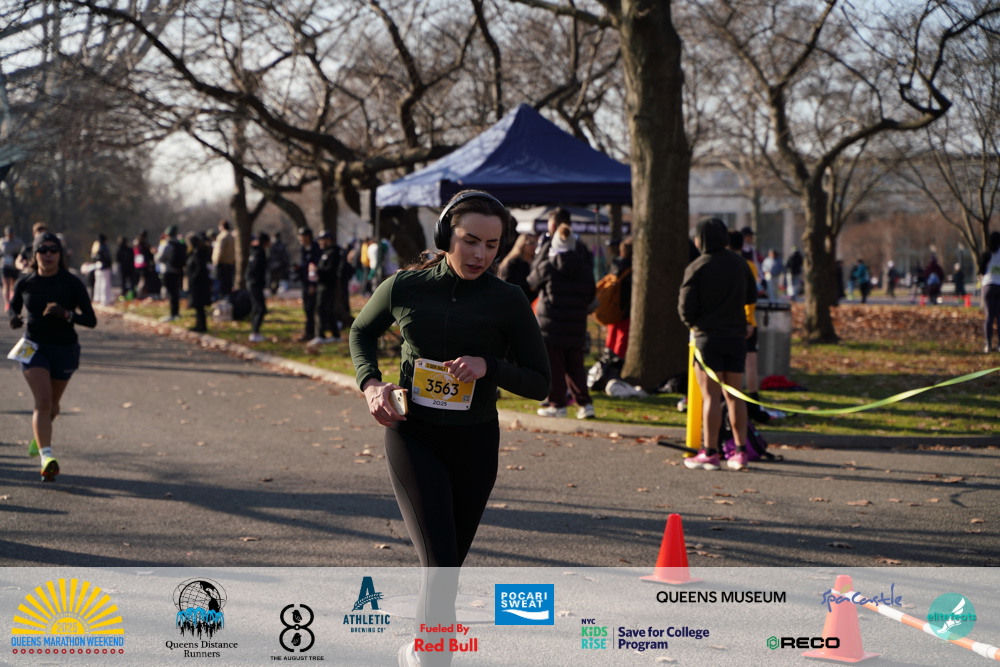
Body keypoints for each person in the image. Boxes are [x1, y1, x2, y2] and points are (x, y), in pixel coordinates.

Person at [350, 190, 549, 667]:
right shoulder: (405, 286)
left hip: (475, 443)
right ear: (445, 237)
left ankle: (422, 649)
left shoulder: (508, 300)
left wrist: (489, 366)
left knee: (447, 568)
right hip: (414, 437)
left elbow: (540, 383)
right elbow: (361, 332)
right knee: (440, 564)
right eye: (470, 241)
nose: (480, 254)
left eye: (492, 245)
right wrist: (371, 384)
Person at [8, 233, 97, 481]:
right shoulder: (25, 282)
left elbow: (91, 320)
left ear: (60, 254)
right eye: (42, 250)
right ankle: (47, 457)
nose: (48, 254)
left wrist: (67, 314)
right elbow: (13, 308)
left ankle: (39, 437)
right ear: (34, 255)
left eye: (53, 250)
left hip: (64, 349)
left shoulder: (72, 283)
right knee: (44, 400)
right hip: (33, 348)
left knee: (53, 406)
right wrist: (14, 319)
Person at [678, 218, 756, 471]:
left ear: (701, 239)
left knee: (711, 396)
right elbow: (751, 295)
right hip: (736, 336)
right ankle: (740, 451)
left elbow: (685, 306)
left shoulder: (697, 266)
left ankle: (710, 451)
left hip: (707, 337)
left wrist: (693, 324)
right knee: (735, 395)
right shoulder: (739, 263)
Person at [527, 222, 597, 419]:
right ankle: (585, 404)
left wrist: (543, 253)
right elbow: (590, 295)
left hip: (551, 326)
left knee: (555, 368)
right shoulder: (585, 269)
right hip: (576, 326)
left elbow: (531, 281)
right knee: (576, 367)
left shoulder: (548, 266)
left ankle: (557, 405)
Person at [603, 237, 633, 359]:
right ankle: (617, 363)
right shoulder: (630, 269)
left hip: (612, 306)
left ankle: (607, 360)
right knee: (622, 339)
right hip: (625, 309)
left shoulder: (614, 266)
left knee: (612, 336)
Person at [311, 231, 342, 344]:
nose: (320, 242)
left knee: (322, 309)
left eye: (322, 240)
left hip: (328, 285)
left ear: (328, 240)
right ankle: (333, 333)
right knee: (325, 309)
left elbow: (330, 270)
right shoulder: (325, 252)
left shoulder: (334, 252)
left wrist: (317, 270)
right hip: (322, 284)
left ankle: (321, 334)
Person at [296, 226, 320, 342]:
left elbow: (314, 268)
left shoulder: (315, 249)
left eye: (303, 236)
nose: (301, 239)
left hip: (312, 283)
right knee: (307, 308)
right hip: (305, 282)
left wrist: (313, 284)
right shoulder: (303, 249)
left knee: (311, 308)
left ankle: (312, 332)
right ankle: (309, 332)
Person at [497, 233, 538, 301]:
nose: (534, 246)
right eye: (530, 243)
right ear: (522, 244)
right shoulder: (513, 263)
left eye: (535, 243)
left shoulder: (537, 261)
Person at [158, 225, 186, 321]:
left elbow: (160, 258)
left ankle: (173, 314)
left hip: (167, 270)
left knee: (171, 293)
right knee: (175, 292)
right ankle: (176, 313)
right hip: (177, 270)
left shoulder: (167, 245)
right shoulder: (179, 243)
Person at [246, 232, 270, 343]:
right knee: (261, 308)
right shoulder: (260, 253)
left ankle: (254, 331)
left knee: (256, 307)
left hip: (251, 283)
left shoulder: (253, 251)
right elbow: (257, 269)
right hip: (256, 283)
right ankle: (255, 332)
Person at [185, 232, 212, 333]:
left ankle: (201, 326)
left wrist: (193, 278)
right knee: (198, 306)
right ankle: (199, 325)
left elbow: (199, 269)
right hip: (199, 282)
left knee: (199, 305)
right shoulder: (198, 252)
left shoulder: (198, 253)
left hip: (198, 283)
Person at [979, 231, 1000, 353]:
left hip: (988, 286)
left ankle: (988, 344)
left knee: (989, 316)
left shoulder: (987, 254)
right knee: (999, 317)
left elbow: (981, 270)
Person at [212, 220, 236, 298]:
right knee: (228, 284)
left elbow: (219, 251)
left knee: (221, 284)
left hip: (221, 263)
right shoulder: (232, 236)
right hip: (230, 262)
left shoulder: (222, 236)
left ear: (222, 226)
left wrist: (215, 261)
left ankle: (221, 299)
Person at [2, 225, 25, 310]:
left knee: (13, 285)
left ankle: (12, 300)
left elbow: (23, 251)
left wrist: (19, 256)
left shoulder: (18, 242)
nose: (10, 235)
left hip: (15, 266)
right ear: (6, 234)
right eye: (8, 234)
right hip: (4, 266)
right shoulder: (2, 242)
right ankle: (7, 303)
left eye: (11, 234)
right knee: (6, 284)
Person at [89, 234, 114, 306]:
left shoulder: (95, 246)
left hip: (98, 267)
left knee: (98, 283)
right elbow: (107, 258)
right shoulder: (103, 247)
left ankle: (97, 298)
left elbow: (93, 257)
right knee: (105, 283)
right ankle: (105, 300)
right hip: (104, 267)